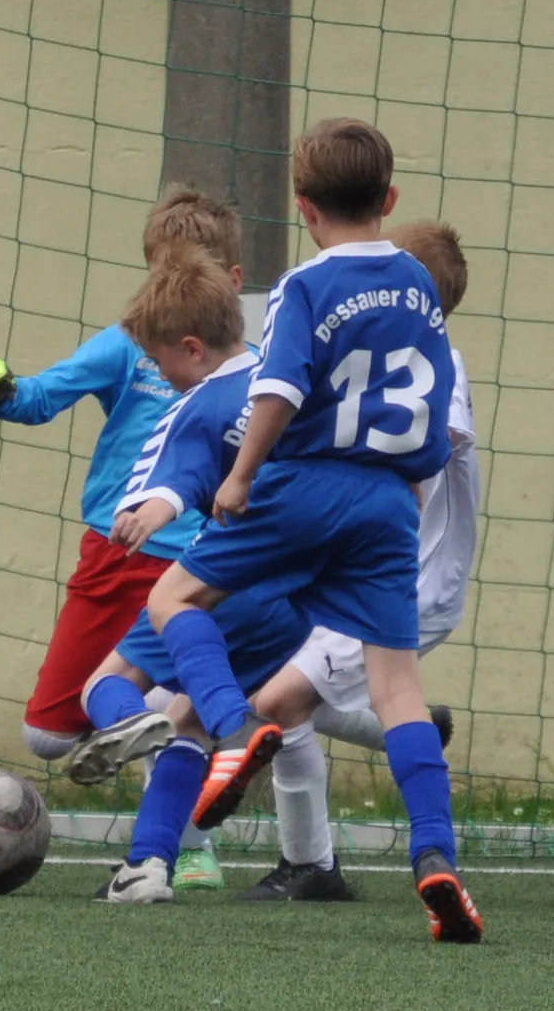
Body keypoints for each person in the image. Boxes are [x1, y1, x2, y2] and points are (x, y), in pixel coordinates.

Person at [142, 117, 482, 943]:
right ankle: (434, 858)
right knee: (398, 691)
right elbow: (434, 415)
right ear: (389, 198)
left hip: (305, 486)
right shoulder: (417, 286)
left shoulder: (303, 284)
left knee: (172, 599)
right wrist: (404, 494)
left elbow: (280, 391)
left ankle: (233, 725)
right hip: (389, 504)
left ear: (303, 206)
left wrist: (240, 475)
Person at [0, 187, 240, 890]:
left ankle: (189, 850)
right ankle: (153, 740)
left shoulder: (248, 364)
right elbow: (43, 396)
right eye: (162, 272)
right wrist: (1, 393)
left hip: (197, 560)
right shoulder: (128, 345)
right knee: (53, 733)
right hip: (119, 553)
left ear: (226, 279)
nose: (172, 289)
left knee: (186, 712)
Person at [63, 251, 313, 903]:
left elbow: (171, 481)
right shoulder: (286, 376)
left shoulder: (198, 404)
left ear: (193, 349)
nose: (161, 374)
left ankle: (134, 724)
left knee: (106, 684)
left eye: (159, 361)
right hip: (296, 599)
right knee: (185, 721)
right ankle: (147, 869)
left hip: (222, 581)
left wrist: (147, 513)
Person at [239, 220, 476, 903]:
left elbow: (433, 441)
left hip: (407, 579)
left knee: (278, 701)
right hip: (365, 571)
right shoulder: (388, 360)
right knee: (273, 689)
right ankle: (409, 734)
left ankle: (313, 864)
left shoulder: (439, 363)